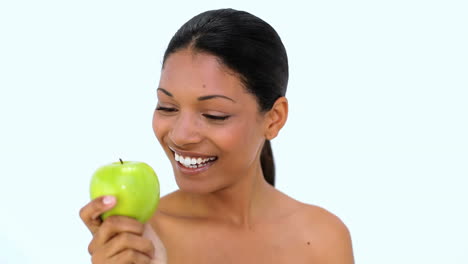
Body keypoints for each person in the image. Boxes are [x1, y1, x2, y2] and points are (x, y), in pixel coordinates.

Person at [80, 8, 354, 264]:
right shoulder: (138, 242)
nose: (181, 135)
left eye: (214, 115)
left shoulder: (323, 239)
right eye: (167, 107)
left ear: (274, 118)